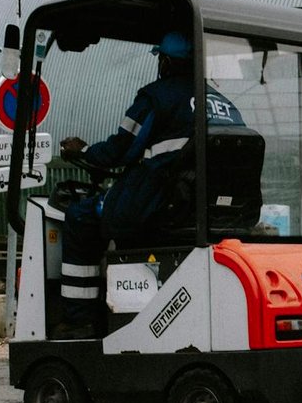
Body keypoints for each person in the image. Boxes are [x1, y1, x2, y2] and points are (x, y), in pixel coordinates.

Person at [55, 30, 243, 338]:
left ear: (166, 62)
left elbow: (119, 149)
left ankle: (80, 320)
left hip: (160, 204)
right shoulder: (224, 104)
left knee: (80, 216)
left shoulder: (156, 97)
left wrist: (84, 151)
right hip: (206, 210)